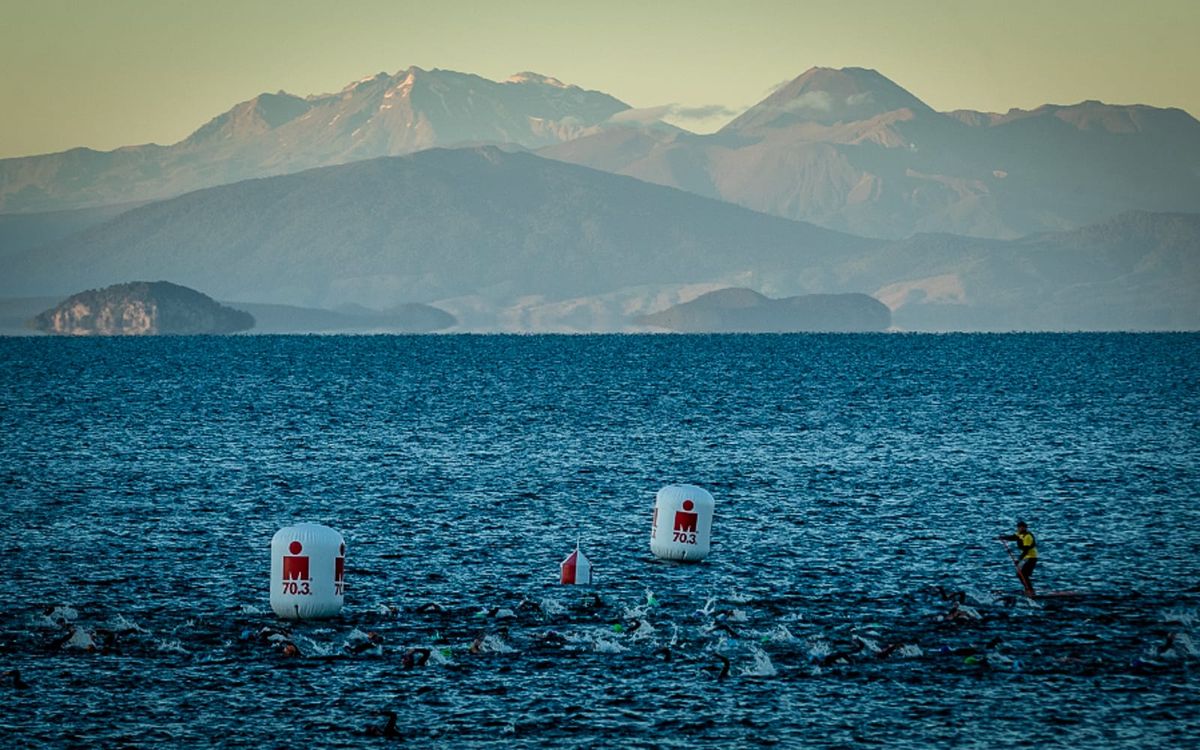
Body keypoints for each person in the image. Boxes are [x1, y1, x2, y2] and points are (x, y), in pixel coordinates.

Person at [997, 520, 1038, 595]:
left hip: (1031, 557)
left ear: (1025, 528)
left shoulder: (1027, 536)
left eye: (1022, 527)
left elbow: (1026, 550)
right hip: (1026, 557)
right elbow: (1013, 537)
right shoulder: (1020, 534)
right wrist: (1003, 537)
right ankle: (1027, 589)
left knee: (1024, 573)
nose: (1020, 529)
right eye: (1019, 527)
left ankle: (1030, 590)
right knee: (1019, 573)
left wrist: (1019, 560)